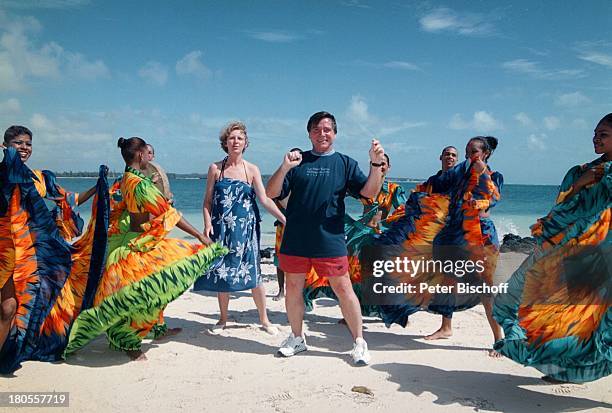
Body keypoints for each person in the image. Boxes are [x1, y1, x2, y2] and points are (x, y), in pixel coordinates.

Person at [64, 137, 227, 361]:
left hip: (137, 241)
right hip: (136, 244)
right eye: (146, 153)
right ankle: (128, 343)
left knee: (153, 291)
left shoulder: (127, 180)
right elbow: (169, 214)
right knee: (137, 297)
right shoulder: (138, 184)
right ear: (140, 155)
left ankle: (155, 330)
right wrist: (200, 235)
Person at [493, 114, 612, 383]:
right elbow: (561, 210)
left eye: (603, 134)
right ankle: (565, 370)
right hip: (568, 251)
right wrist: (580, 183)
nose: (595, 138)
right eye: (595, 132)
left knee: (594, 320)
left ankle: (570, 371)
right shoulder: (582, 170)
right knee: (547, 308)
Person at [266, 111, 386, 365]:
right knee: (294, 289)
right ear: (309, 133)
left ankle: (359, 342)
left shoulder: (344, 163)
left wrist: (375, 165)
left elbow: (369, 193)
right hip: (296, 238)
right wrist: (285, 166)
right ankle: (297, 338)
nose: (322, 134)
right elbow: (271, 192)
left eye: (327, 129)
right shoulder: (298, 162)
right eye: (317, 129)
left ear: (334, 133)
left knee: (343, 288)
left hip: (329, 238)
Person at [370, 137, 504, 356]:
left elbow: (492, 200)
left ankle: (499, 339)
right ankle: (446, 327)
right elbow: (433, 191)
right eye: (468, 151)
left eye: (474, 152)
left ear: (486, 154)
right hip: (455, 234)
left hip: (481, 237)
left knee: (485, 289)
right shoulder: (459, 176)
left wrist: (483, 173)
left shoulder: (494, 176)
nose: (470, 156)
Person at [0, 125, 109, 373]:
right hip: (4, 250)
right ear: (5, 145)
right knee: (8, 307)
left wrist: (98, 187)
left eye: (28, 143)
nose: (24, 147)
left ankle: (10, 353)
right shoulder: (2, 173)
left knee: (17, 307)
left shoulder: (39, 178)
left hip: (30, 256)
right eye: (18, 143)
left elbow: (70, 200)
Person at [193, 122, 285, 334]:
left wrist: (285, 219)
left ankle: (265, 320)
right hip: (221, 230)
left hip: (246, 232)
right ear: (225, 143)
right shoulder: (216, 168)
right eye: (232, 138)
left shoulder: (252, 169)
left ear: (245, 143)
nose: (235, 142)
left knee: (254, 274)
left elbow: (265, 199)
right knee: (222, 273)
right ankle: (223, 319)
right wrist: (207, 225)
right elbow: (207, 201)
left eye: (240, 138)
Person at [302, 152, 407, 318]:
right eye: (377, 163)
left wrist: (388, 225)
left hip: (378, 237)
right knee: (350, 274)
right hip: (358, 235)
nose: (381, 166)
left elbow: (403, 211)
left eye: (383, 164)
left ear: (388, 167)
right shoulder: (365, 186)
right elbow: (338, 192)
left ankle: (380, 310)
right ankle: (350, 315)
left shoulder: (394, 190)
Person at [273, 197, 288, 301]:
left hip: (300, 224)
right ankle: (281, 290)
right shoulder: (281, 185)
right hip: (282, 225)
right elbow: (270, 201)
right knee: (279, 259)